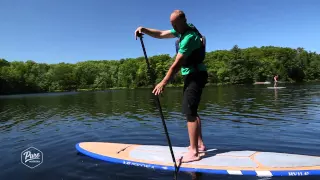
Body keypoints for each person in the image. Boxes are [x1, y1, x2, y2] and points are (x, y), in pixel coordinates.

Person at [134, 10, 208, 163]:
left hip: (195, 75)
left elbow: (175, 65)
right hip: (193, 75)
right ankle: (199, 145)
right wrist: (144, 29)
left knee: (189, 112)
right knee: (192, 110)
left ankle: (193, 152)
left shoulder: (189, 37)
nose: (174, 27)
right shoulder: (182, 30)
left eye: (175, 24)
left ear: (184, 21)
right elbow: (161, 34)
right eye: (172, 24)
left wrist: (163, 82)